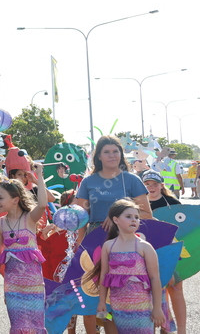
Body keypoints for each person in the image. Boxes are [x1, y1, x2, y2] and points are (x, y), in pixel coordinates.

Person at [75, 135, 153, 333]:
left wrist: (117, 216)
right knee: (98, 294)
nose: (112, 155)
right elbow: (80, 216)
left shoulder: (132, 180)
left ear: (121, 154)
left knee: (120, 292)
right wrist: (80, 243)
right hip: (95, 242)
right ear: (98, 156)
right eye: (107, 152)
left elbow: (147, 214)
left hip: (127, 244)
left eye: (115, 151)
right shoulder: (88, 182)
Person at [84, 199, 165, 333]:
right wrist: (102, 301)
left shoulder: (144, 247)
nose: (134, 220)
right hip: (118, 308)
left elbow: (155, 278)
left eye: (137, 217)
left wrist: (157, 308)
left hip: (142, 308)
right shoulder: (108, 246)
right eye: (128, 216)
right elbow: (104, 276)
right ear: (115, 220)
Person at [0, 164, 49, 333]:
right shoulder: (0, 224)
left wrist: (39, 176)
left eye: (1, 198)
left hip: (34, 285)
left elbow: (42, 204)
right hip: (12, 287)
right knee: (17, 326)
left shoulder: (29, 218)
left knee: (35, 326)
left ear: (15, 200)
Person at [143, 169, 186, 334]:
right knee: (157, 291)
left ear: (161, 185)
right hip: (149, 254)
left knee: (175, 289)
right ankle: (166, 326)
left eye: (154, 184)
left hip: (173, 252)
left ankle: (182, 330)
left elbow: (185, 228)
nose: (151, 187)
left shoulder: (173, 203)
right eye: (147, 184)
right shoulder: (138, 204)